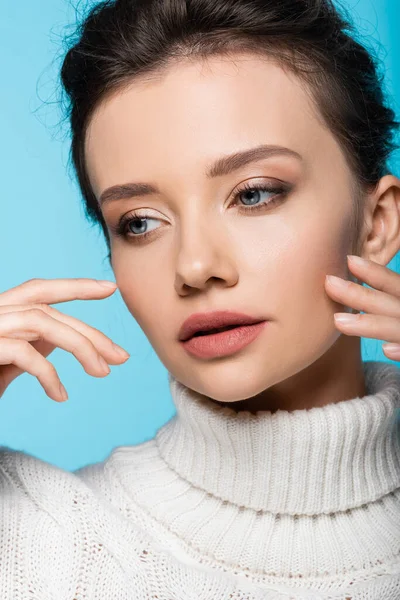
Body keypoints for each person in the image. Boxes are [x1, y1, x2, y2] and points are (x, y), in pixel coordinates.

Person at [1, 0, 400, 597]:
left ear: (376, 225)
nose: (193, 267)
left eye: (255, 194)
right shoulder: (36, 542)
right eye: (138, 222)